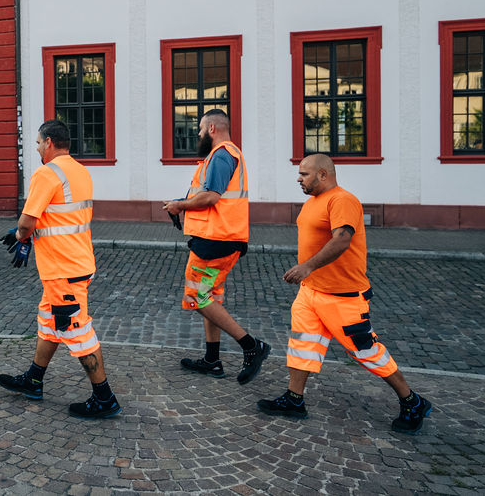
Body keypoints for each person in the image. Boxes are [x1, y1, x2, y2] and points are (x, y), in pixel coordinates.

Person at [257, 154, 433, 434]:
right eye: (299, 174)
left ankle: (413, 401)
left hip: (344, 296)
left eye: (304, 174)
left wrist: (307, 266)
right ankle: (294, 398)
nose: (298, 179)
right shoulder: (313, 202)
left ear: (323, 174)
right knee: (303, 345)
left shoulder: (342, 200)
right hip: (311, 292)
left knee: (367, 352)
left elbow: (342, 240)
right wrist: (309, 275)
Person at [0, 119, 121, 419]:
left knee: (77, 333)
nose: (38, 148)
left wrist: (19, 235)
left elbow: (28, 221)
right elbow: (60, 218)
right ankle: (34, 380)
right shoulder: (80, 171)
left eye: (39, 143)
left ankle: (104, 399)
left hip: (63, 270)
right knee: (50, 324)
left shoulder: (47, 173)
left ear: (49, 143)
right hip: (75, 263)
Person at [163, 109, 270, 384]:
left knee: (197, 296)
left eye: (200, 130)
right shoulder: (225, 154)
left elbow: (211, 197)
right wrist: (182, 203)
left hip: (215, 242)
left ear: (211, 128)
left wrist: (179, 205)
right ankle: (212, 360)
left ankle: (251, 346)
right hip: (219, 239)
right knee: (210, 296)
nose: (198, 135)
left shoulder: (222, 154)